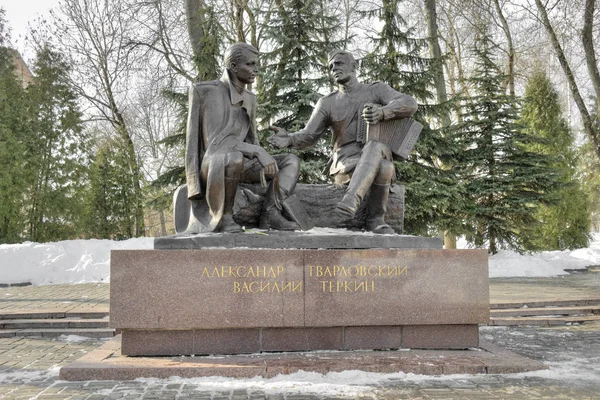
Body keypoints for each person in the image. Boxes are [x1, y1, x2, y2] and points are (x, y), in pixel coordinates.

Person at [268, 49, 418, 234]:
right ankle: (374, 219)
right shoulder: (327, 103)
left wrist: (383, 112)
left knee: (378, 151)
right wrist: (289, 138)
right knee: (385, 166)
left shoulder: (376, 90)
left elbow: (410, 103)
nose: (333, 69)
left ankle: (354, 203)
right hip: (345, 164)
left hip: (375, 154)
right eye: (330, 67)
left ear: (354, 66)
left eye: (338, 63)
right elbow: (309, 135)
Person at [184, 43, 300, 233]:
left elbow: (251, 139)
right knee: (233, 157)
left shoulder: (250, 98)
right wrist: (257, 151)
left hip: (242, 162)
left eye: (257, 65)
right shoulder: (206, 91)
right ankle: (225, 217)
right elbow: (216, 143)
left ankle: (271, 213)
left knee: (290, 160)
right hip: (213, 164)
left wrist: (263, 158)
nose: (256, 70)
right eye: (250, 64)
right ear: (233, 66)